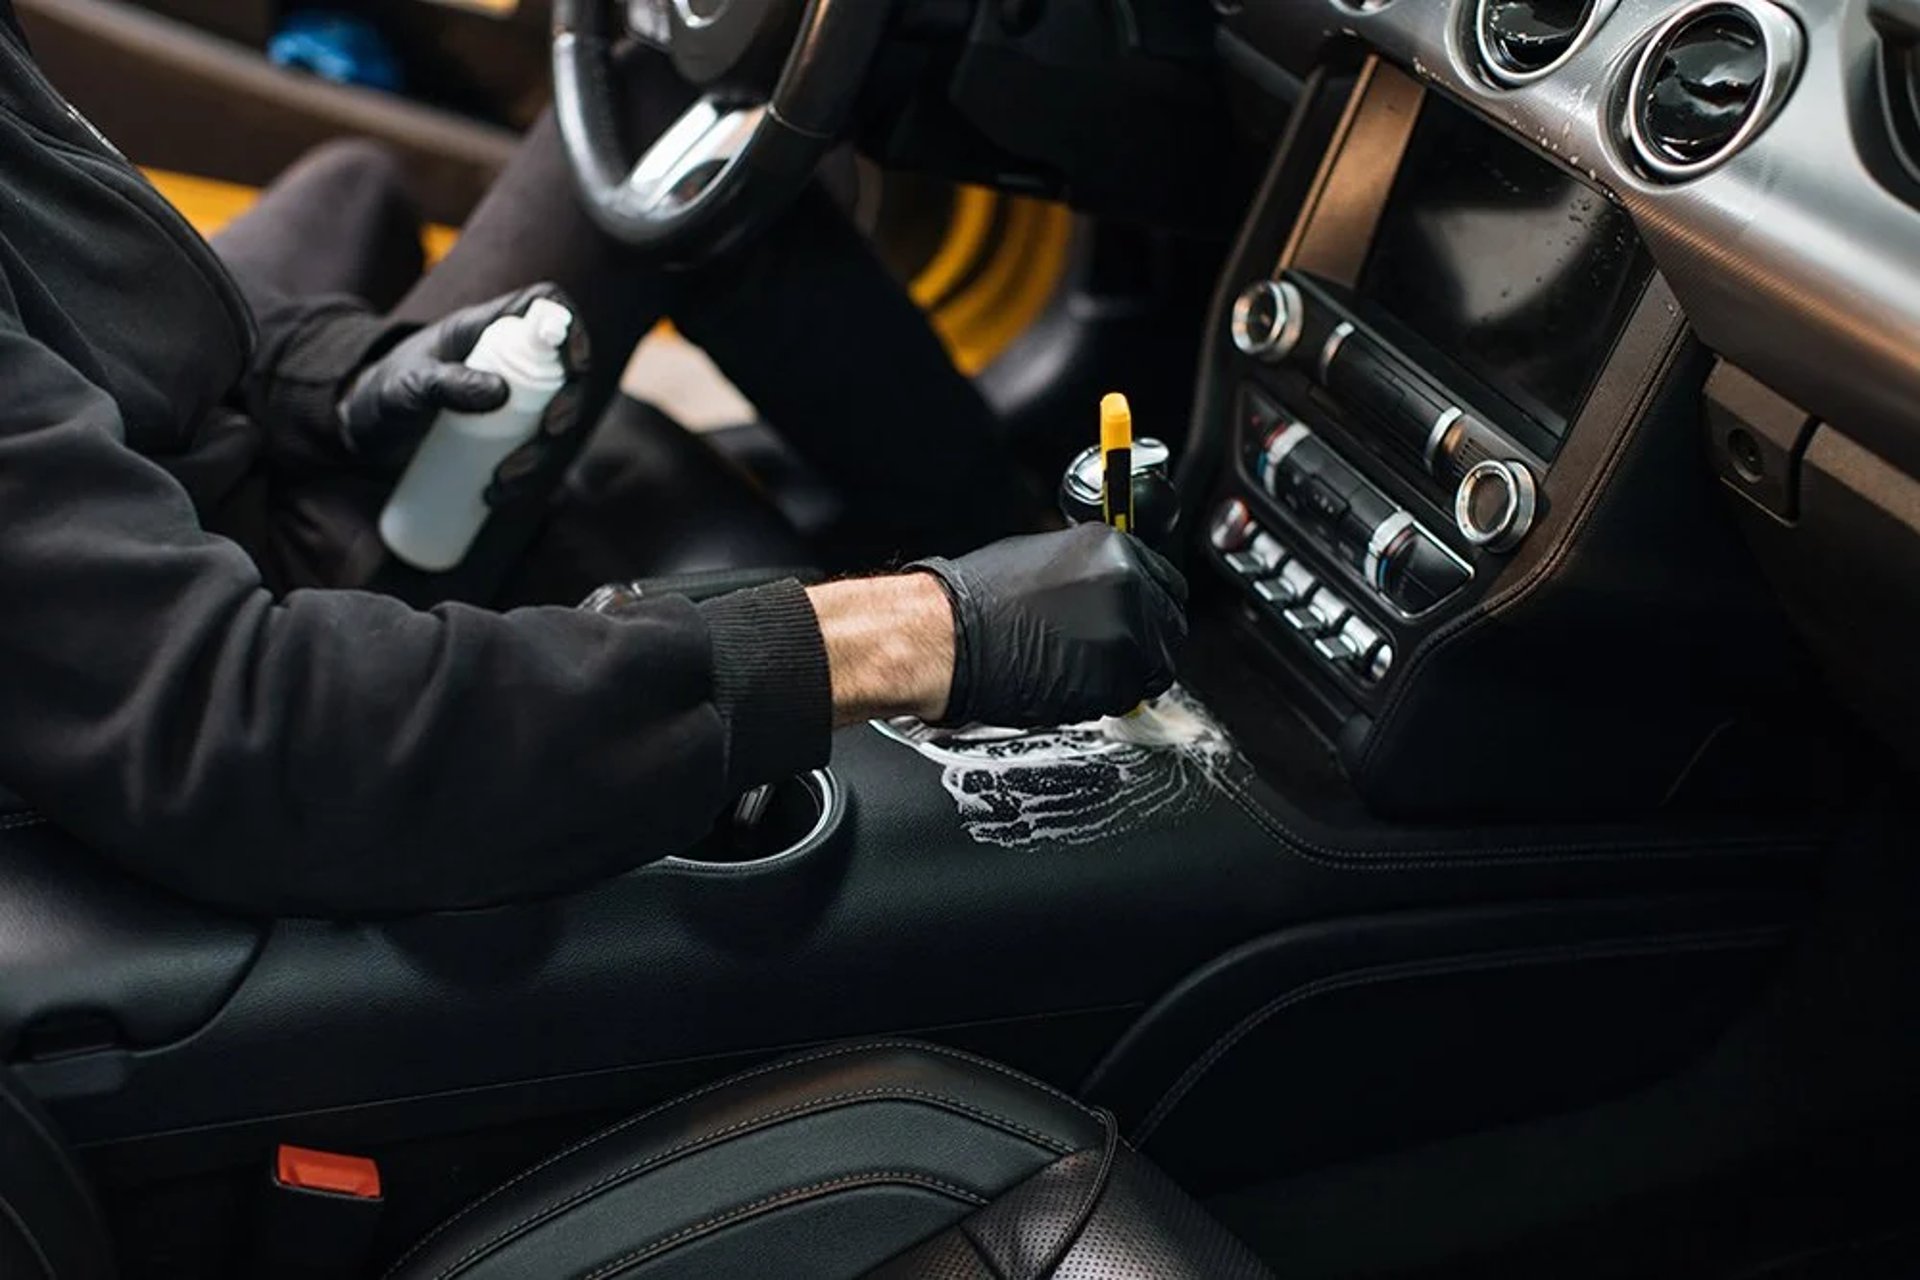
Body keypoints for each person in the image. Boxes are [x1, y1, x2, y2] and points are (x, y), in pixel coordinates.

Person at [0, 5, 1188, 918]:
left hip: (196, 473)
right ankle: (1023, 544)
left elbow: (104, 304)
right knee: (667, 115)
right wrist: (930, 628)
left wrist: (345, 382)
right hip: (283, 603)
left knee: (348, 188)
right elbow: (250, 729)